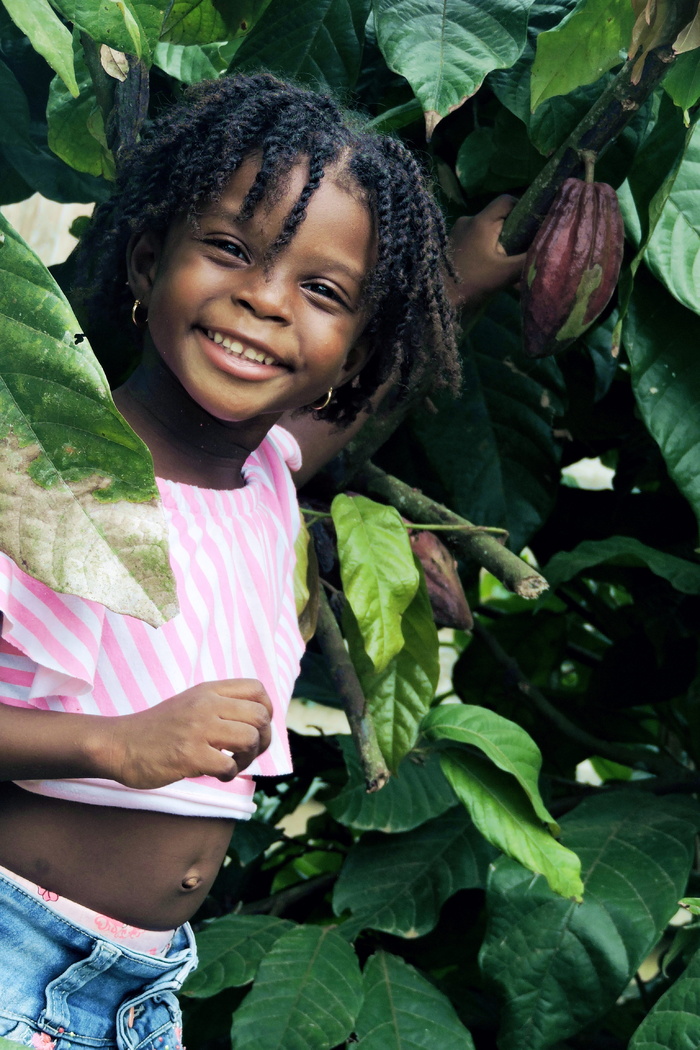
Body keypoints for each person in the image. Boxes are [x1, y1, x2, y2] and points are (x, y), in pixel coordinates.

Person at [0, 73, 523, 1049]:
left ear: (359, 343)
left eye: (321, 291)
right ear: (149, 258)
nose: (263, 300)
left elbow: (345, 411)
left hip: (137, 992)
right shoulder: (41, 476)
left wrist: (460, 274)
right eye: (233, 250)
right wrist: (113, 746)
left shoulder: (269, 481)